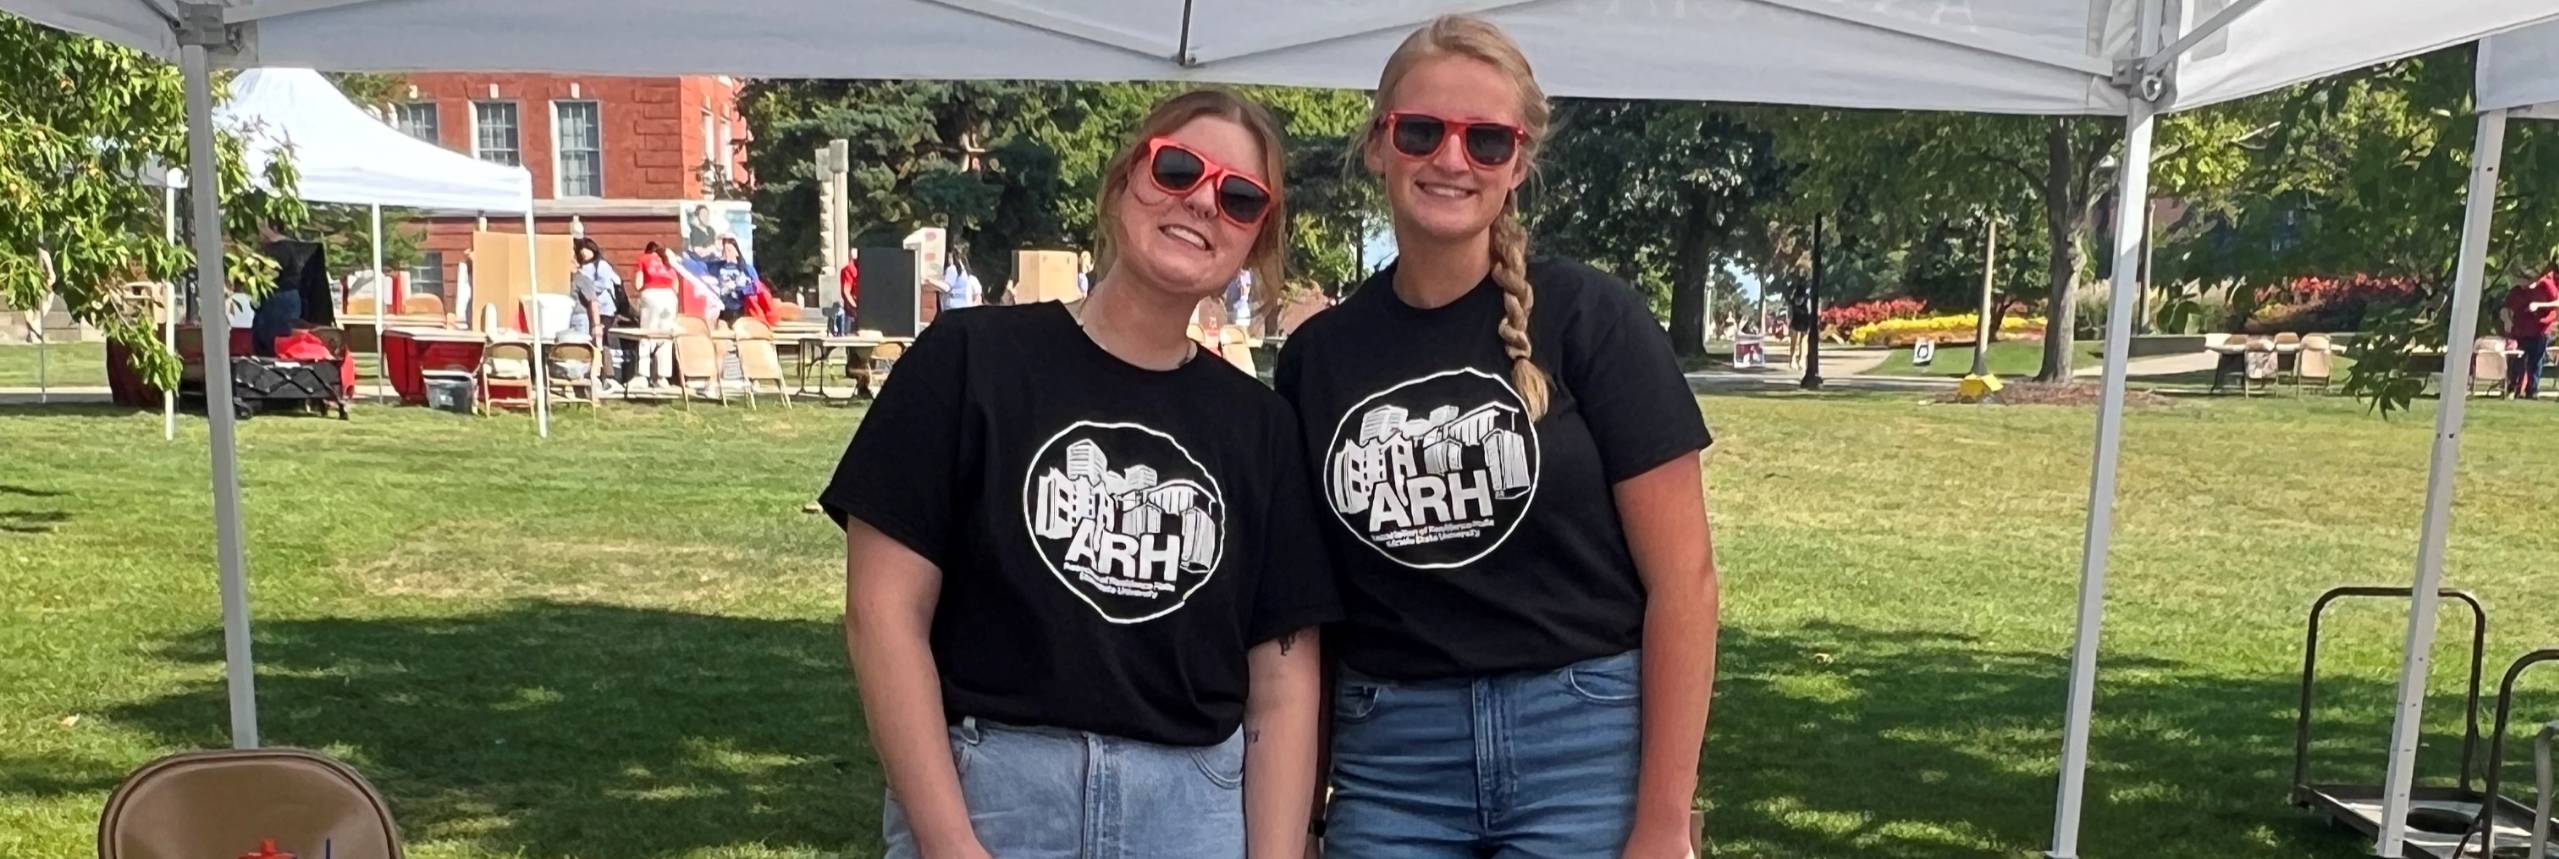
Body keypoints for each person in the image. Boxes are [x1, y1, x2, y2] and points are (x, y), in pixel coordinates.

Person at [821, 89, 1334, 859]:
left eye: (1238, 197)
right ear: (1125, 178)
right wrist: (950, 843)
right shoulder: (967, 360)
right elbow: (882, 612)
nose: (1201, 201)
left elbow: (1284, 682)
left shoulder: (1260, 427)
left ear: (1256, 237)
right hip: (994, 796)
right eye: (1178, 169)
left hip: (1190, 811)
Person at [1272, 16, 1718, 859]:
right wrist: (1302, 815)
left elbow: (1685, 582)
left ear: (1517, 164)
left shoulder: (1592, 318)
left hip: (1584, 745)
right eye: (1421, 131)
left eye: (1485, 139)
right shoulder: (1317, 359)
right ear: (1377, 146)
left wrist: (1663, 817)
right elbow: (1310, 617)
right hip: (1392, 758)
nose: (1450, 159)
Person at [630, 241, 682, 390]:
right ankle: (662, 377)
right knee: (665, 337)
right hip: (669, 298)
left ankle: (642, 375)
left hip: (651, 295)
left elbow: (638, 284)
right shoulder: (668, 261)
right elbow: (676, 287)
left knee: (646, 334)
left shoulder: (643, 259)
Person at [2505, 261, 2559, 399]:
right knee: (2518, 360)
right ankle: (2514, 389)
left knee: (2535, 361)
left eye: (2525, 280)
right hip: (2521, 330)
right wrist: (2507, 320)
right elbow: (2507, 309)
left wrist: (2539, 305)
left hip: (2541, 329)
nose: (2523, 284)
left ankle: (2532, 391)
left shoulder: (2546, 285)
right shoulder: (2517, 292)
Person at [707, 236, 762, 324]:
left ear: (737, 251)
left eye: (729, 250)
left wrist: (739, 289)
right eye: (724, 251)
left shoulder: (747, 269)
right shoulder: (717, 268)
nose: (727, 254)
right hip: (724, 310)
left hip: (743, 309)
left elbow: (757, 287)